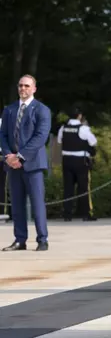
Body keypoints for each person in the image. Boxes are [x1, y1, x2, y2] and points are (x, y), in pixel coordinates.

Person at [0, 75, 51, 251]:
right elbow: (3, 134)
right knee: (17, 204)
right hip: (12, 164)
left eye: (27, 86)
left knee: (37, 204)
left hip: (33, 164)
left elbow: (40, 137)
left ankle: (42, 239)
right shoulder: (9, 109)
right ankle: (20, 239)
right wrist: (8, 155)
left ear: (34, 88)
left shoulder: (41, 110)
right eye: (21, 85)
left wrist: (20, 157)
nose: (23, 89)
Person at [57, 107, 98, 221]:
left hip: (67, 161)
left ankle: (67, 214)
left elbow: (60, 141)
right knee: (83, 188)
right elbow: (93, 142)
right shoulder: (83, 129)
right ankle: (85, 214)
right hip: (80, 161)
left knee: (68, 188)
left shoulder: (63, 128)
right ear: (79, 116)